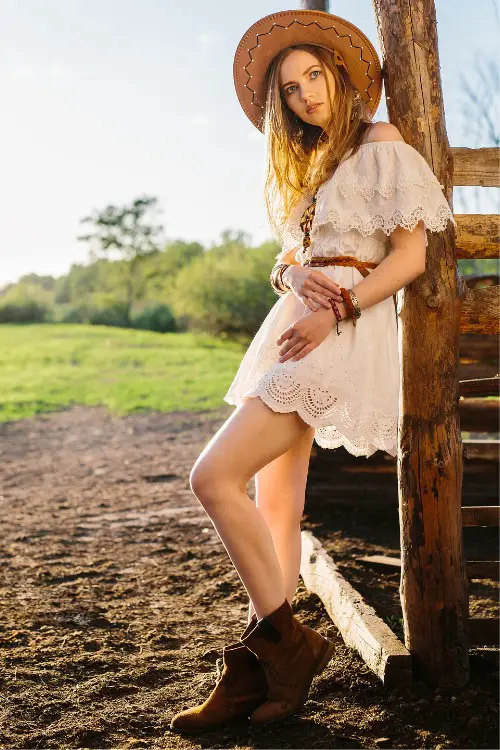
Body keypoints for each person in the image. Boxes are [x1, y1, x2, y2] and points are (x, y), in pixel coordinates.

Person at [169, 8, 456, 734]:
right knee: (276, 511)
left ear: (338, 75)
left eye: (312, 77)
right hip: (294, 328)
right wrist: (290, 281)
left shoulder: (381, 143)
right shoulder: (315, 166)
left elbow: (409, 257)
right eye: (290, 89)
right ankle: (260, 664)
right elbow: (295, 258)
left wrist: (335, 308)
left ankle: (287, 645)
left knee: (211, 477)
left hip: (337, 332)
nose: (304, 96)